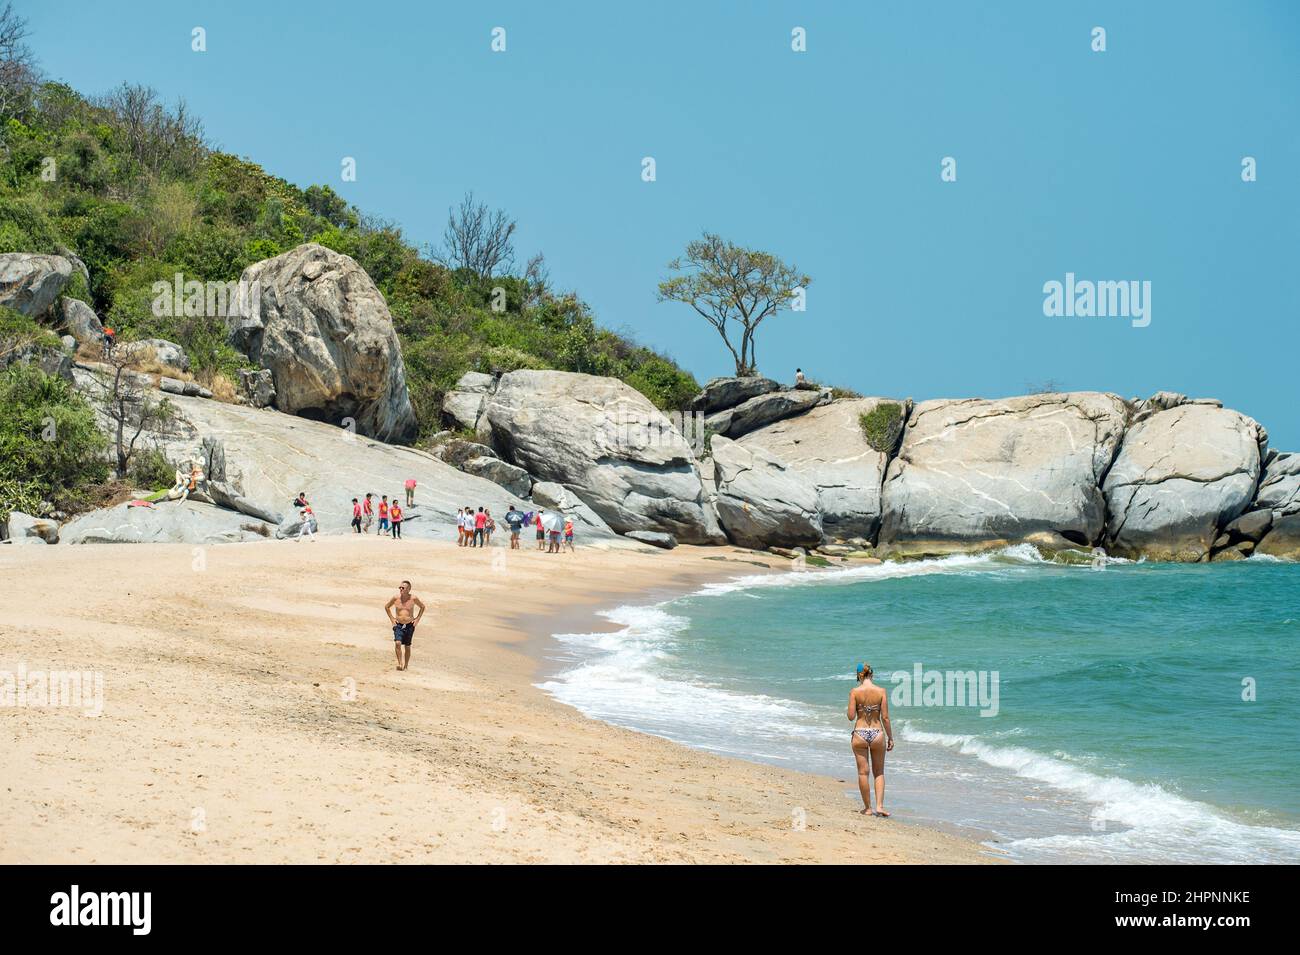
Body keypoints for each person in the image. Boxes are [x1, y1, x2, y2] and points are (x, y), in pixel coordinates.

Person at [847, 662, 893, 817]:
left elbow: (851, 716)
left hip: (860, 733)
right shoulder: (881, 691)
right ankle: (879, 806)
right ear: (871, 674)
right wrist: (891, 738)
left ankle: (867, 808)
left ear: (858, 676)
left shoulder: (854, 691)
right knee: (879, 772)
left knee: (863, 773)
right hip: (877, 733)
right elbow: (885, 718)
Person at [384, 580, 426, 671]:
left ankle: (406, 665)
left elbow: (422, 607)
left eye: (403, 588)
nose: (400, 589)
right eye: (400, 587)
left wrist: (417, 619)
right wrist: (392, 619)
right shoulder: (396, 598)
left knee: (407, 646)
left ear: (408, 589)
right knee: (398, 643)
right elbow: (387, 607)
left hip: (409, 625)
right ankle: (400, 663)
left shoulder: (413, 598)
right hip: (398, 624)